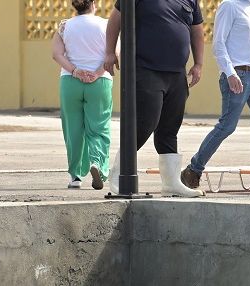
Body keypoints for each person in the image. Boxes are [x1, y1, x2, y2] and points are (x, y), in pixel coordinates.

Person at [180, 0, 250, 198]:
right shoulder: (229, 6)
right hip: (237, 74)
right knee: (227, 126)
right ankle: (193, 170)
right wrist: (230, 73)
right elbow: (218, 44)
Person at [104, 0, 204, 197]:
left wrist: (199, 63)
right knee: (145, 124)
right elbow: (115, 20)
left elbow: (197, 31)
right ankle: (119, 174)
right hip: (146, 69)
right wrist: (109, 52)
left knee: (169, 129)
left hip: (177, 73)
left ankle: (171, 183)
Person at [53, 0, 114, 190]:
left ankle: (75, 176)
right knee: (99, 127)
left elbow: (56, 54)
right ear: (94, 4)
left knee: (73, 129)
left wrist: (75, 71)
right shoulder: (106, 25)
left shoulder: (64, 26)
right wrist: (97, 72)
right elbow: (115, 53)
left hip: (70, 82)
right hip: (99, 82)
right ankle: (97, 163)